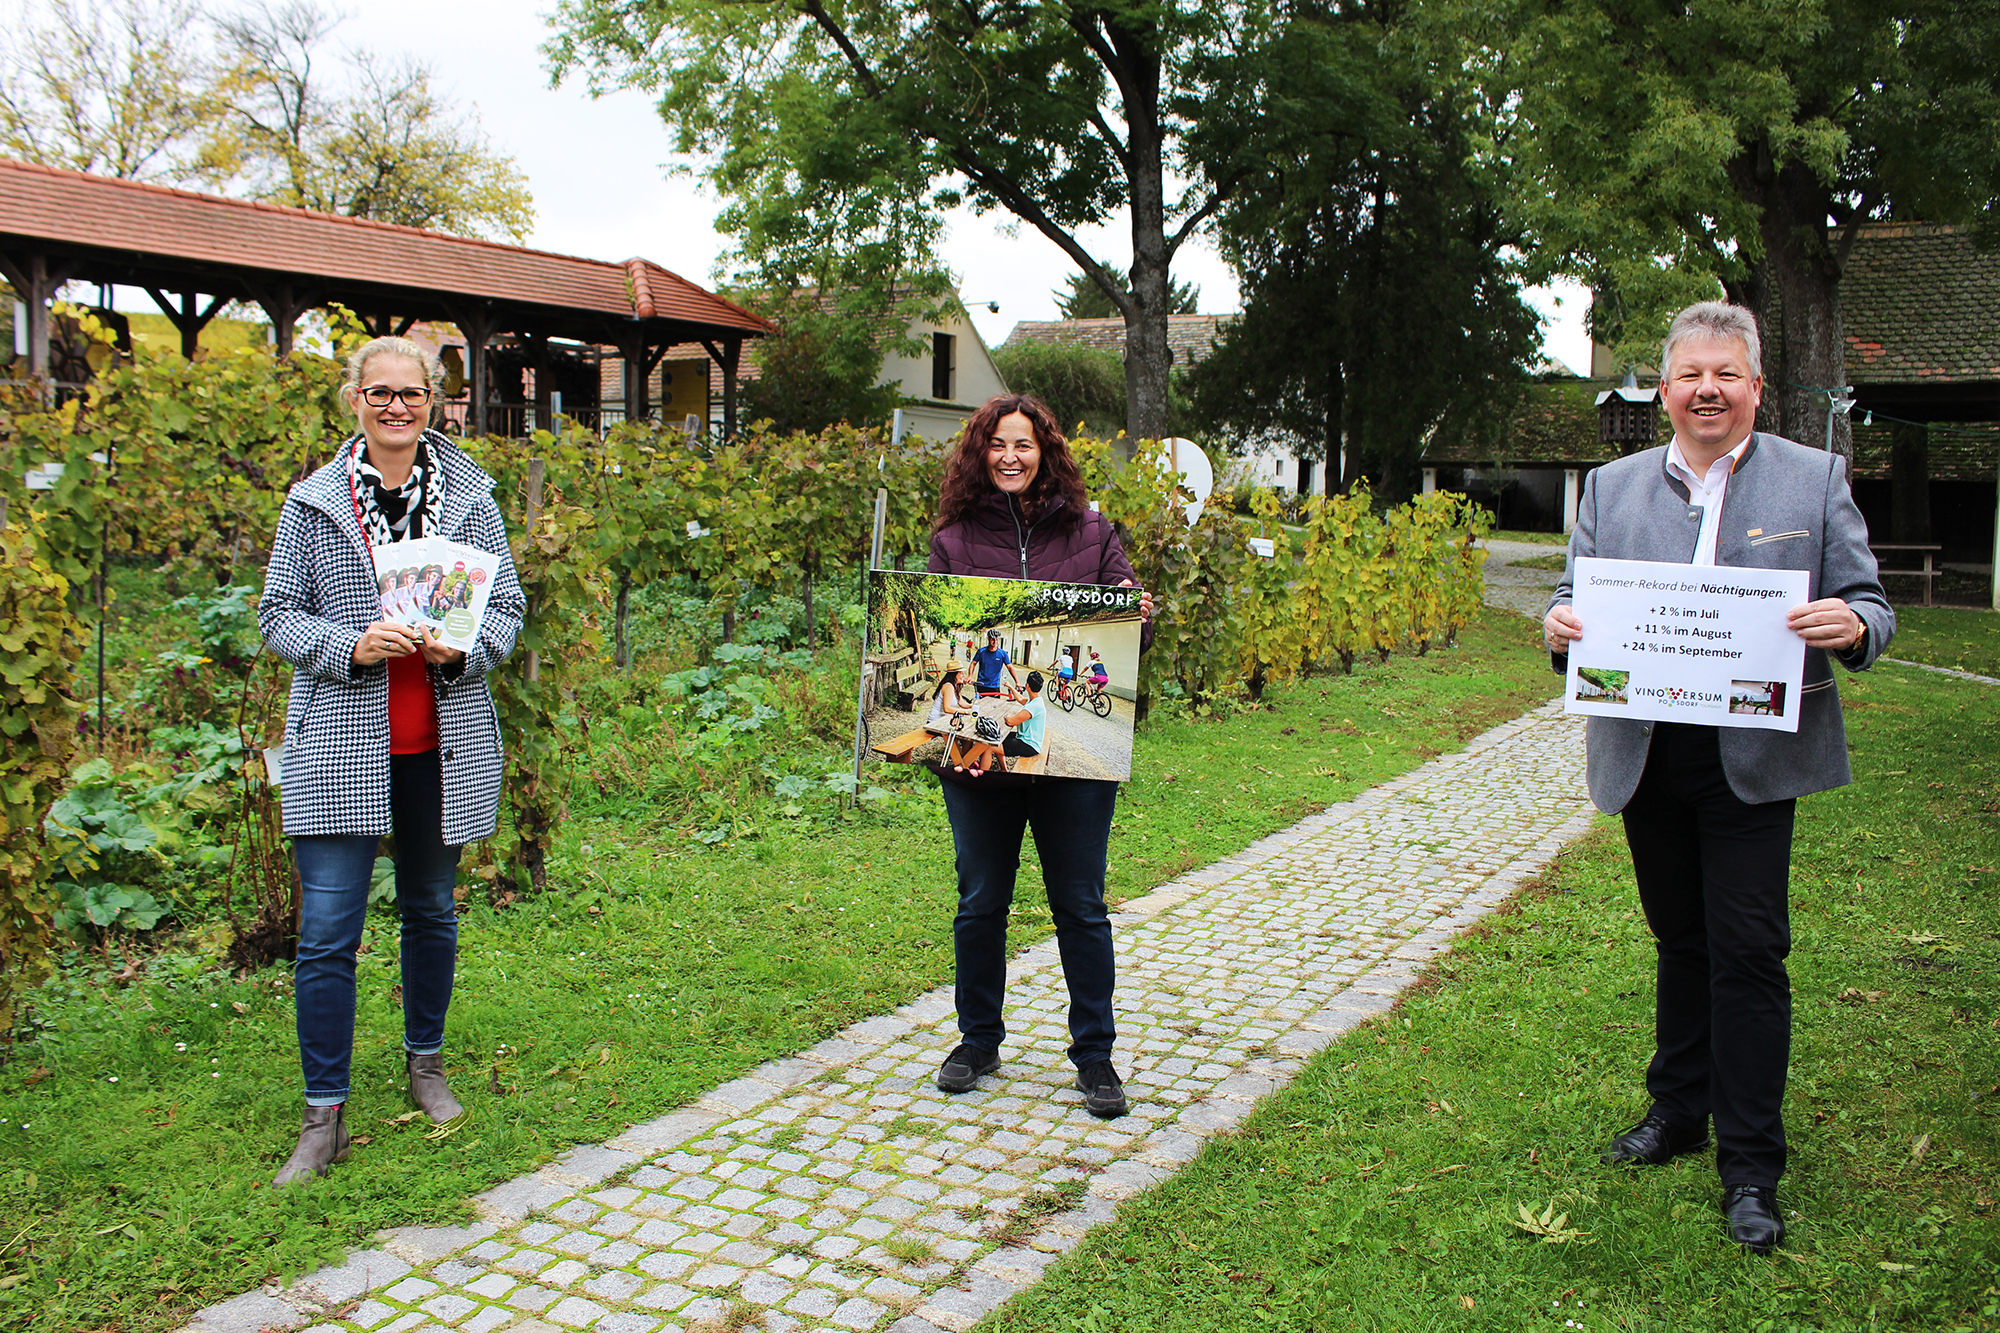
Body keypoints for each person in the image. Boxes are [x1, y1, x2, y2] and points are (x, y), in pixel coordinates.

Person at [1544, 301, 1893, 1253]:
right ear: (1663, 389)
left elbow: (1870, 600)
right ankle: (1678, 1107)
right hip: (1648, 750)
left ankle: (1750, 1163)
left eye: (1726, 375)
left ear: (1754, 387)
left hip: (1754, 753)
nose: (1707, 389)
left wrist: (1855, 626)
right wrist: (1559, 627)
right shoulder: (1610, 488)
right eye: (1690, 375)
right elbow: (1572, 598)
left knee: (1747, 949)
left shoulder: (1813, 479)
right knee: (1680, 936)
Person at [259, 335, 525, 1187]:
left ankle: (426, 1064)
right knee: (328, 933)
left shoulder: (471, 498)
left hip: (438, 746)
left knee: (431, 911)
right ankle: (323, 1114)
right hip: (342, 745)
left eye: (411, 394)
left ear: (434, 401)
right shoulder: (313, 504)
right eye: (379, 393)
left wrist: (464, 651)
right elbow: (276, 616)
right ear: (354, 400)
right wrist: (351, 643)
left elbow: (509, 607)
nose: (396, 407)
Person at [927, 392, 1154, 1119]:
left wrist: (1134, 615)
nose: (1010, 456)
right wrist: (949, 739)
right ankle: (978, 1039)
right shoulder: (954, 537)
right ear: (979, 452)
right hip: (981, 756)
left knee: (1079, 904)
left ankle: (1095, 1055)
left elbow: (1127, 643)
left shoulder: (1092, 532)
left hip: (1075, 752)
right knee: (979, 901)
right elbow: (939, 647)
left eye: (1023, 444)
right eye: (997, 444)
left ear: (1045, 452)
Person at [970, 627, 1023, 698]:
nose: (995, 642)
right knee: (981, 707)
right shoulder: (981, 651)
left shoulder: (1002, 653)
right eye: (993, 639)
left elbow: (1010, 667)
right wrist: (970, 676)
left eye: (997, 639)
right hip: (981, 685)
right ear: (988, 639)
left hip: (994, 686)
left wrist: (1017, 682)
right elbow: (973, 663)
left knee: (996, 707)